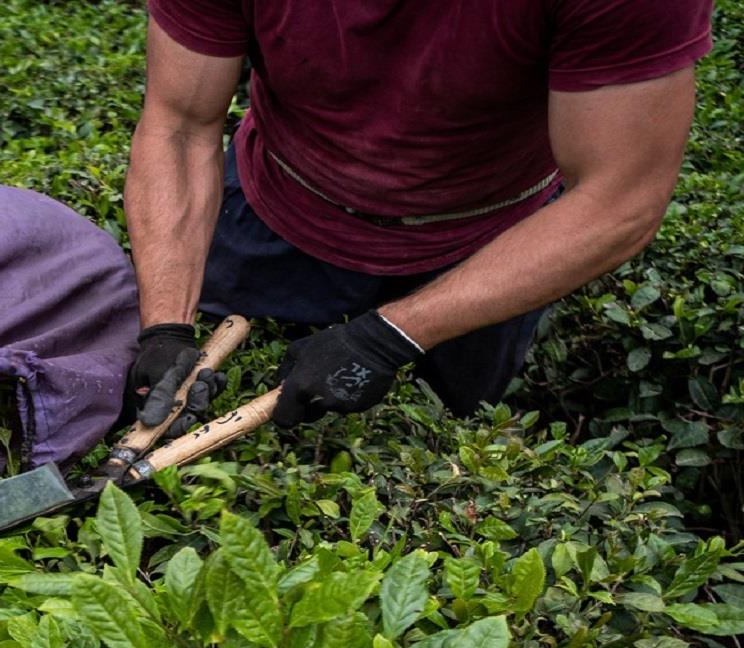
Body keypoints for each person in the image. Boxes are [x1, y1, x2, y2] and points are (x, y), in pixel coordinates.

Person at [122, 0, 714, 430]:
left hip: (488, 246)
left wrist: (390, 338)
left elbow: (619, 200)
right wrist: (166, 326)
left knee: (445, 428)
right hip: (274, 202)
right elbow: (178, 125)